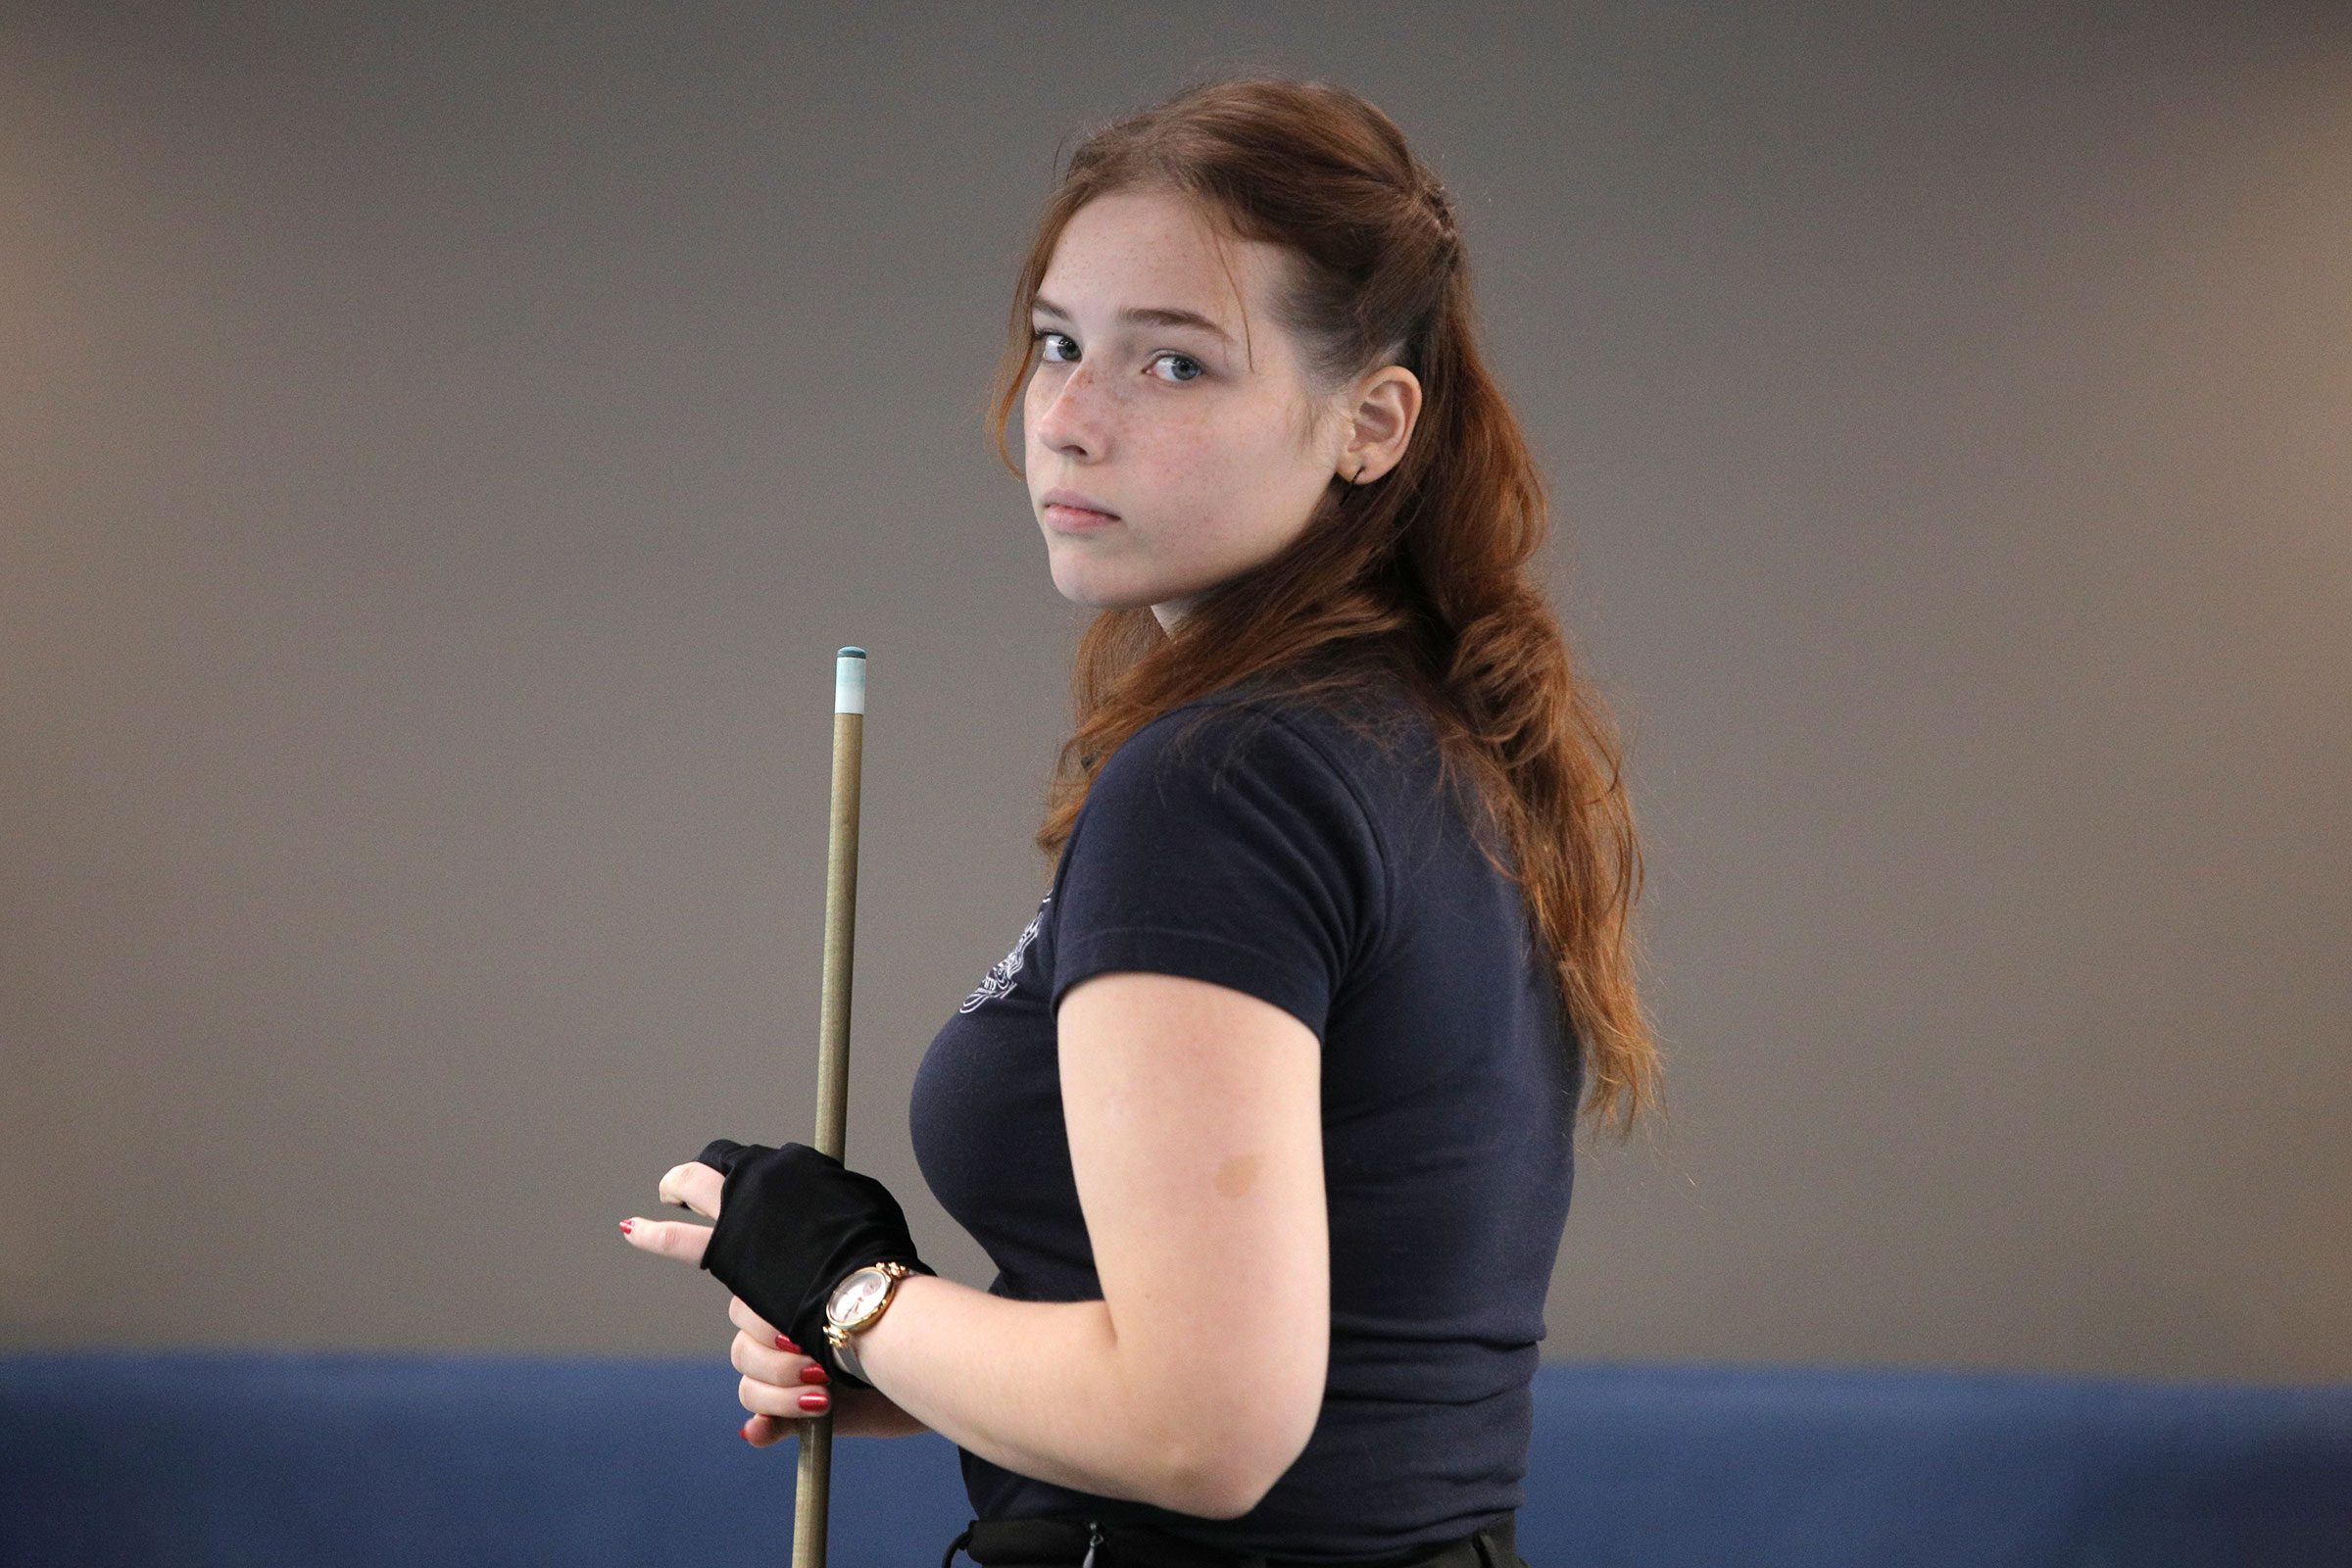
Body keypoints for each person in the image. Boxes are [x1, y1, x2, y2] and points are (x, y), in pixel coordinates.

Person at [620, 75, 1656, 1568]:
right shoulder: (1410, 734)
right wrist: (912, 1354)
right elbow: (1348, 1371)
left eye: (1173, 364)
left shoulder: (1227, 779)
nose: (1069, 420)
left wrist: (849, 1291)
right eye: (1059, 344)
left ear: (1370, 423)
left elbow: (1202, 1433)